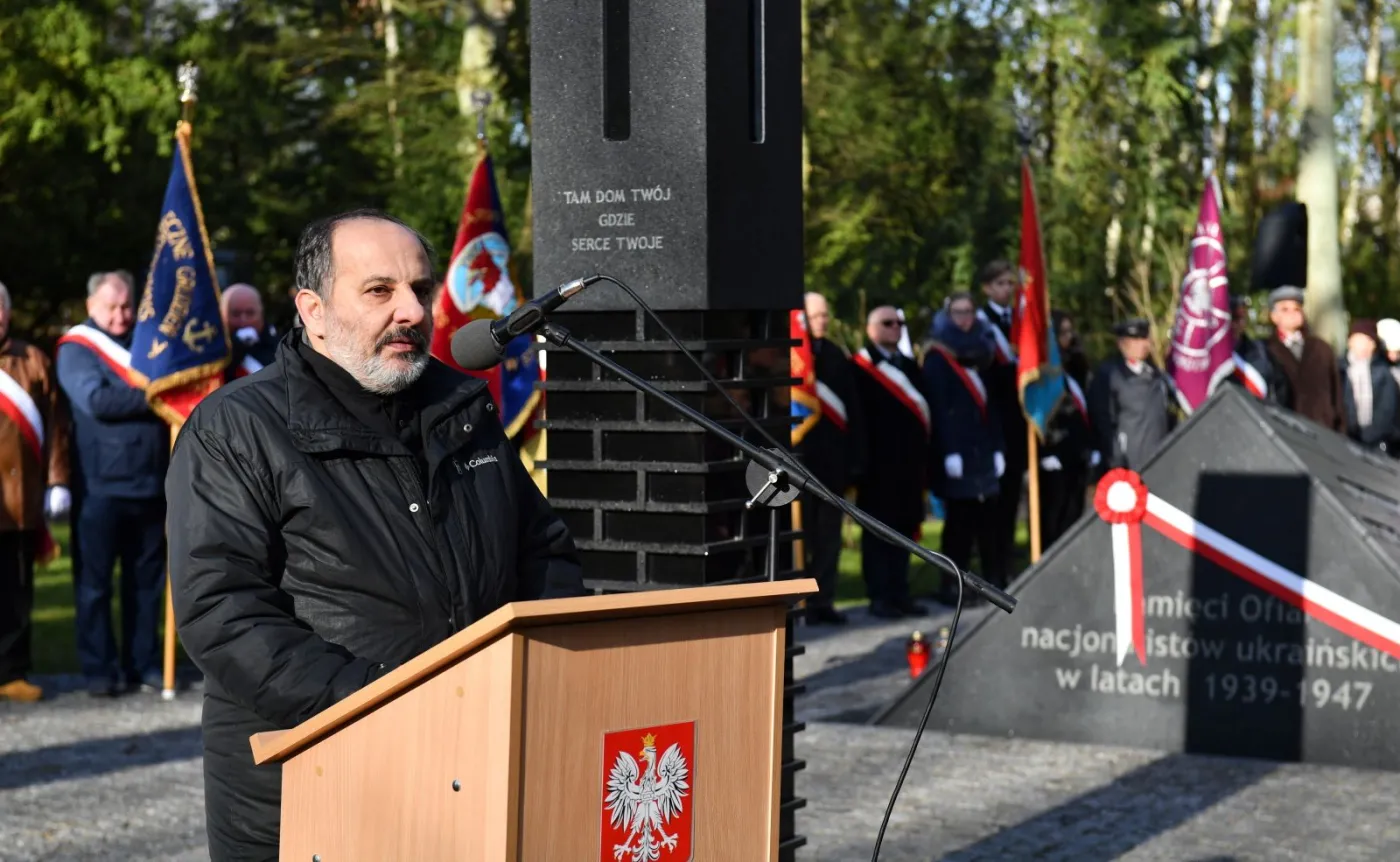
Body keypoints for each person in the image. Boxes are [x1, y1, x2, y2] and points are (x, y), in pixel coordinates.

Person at [168, 209, 584, 859]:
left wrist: (545, 674)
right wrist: (380, 703)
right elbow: (222, 609)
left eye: (421, 289)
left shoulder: (462, 406)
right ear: (312, 309)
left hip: (471, 759)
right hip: (315, 777)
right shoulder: (238, 429)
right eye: (379, 290)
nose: (413, 311)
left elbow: (542, 552)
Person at [56, 271, 169, 697]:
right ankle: (100, 670)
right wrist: (159, 394)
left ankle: (143, 664)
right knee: (94, 587)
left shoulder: (148, 344)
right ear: (91, 307)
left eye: (126, 307)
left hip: (151, 485)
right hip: (98, 490)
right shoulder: (77, 349)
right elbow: (98, 401)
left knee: (145, 586)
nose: (121, 316)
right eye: (111, 307)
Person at [0, 281, 71, 703]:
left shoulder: (34, 361)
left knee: (15, 591)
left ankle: (11, 672)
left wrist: (57, 481)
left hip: (19, 498)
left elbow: (56, 427)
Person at [923, 292, 1007, 592]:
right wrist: (949, 451)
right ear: (947, 315)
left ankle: (989, 583)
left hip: (982, 450)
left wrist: (998, 447)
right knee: (959, 526)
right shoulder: (937, 358)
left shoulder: (983, 351)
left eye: (970, 312)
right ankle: (951, 585)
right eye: (958, 312)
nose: (965, 318)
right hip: (956, 453)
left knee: (988, 523)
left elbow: (991, 405)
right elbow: (939, 408)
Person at [853, 305, 931, 618]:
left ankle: (900, 592)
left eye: (899, 322)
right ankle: (879, 596)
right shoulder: (860, 367)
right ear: (871, 329)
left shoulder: (910, 367)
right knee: (877, 531)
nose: (895, 328)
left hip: (909, 466)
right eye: (887, 323)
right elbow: (858, 419)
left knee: (905, 528)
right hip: (876, 466)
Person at [795, 292, 866, 625]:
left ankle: (823, 600)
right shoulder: (792, 355)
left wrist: (854, 459)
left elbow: (853, 408)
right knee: (800, 533)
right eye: (815, 316)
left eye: (825, 315)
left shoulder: (836, 355)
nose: (822, 321)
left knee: (828, 536)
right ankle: (798, 603)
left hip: (832, 462)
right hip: (800, 460)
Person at [975, 261, 1027, 568]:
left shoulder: (1021, 320)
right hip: (994, 422)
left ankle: (1005, 560)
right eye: (1000, 284)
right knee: (992, 501)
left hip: (1017, 422)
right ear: (987, 288)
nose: (1006, 289)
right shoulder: (981, 325)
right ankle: (990, 563)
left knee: (1010, 498)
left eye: (1010, 283)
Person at [1036, 311, 1096, 548]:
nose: (1068, 337)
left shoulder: (1076, 363)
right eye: (1062, 332)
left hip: (1077, 448)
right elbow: (1039, 412)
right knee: (1054, 512)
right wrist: (1045, 452)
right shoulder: (1044, 368)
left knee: (1074, 508)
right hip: (1054, 450)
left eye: (1070, 331)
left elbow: (1086, 404)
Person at [1087, 318, 1176, 472]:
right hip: (1129, 463)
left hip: (1161, 459)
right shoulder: (1110, 376)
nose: (1143, 344)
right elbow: (1103, 420)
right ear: (1122, 344)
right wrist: (1116, 458)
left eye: (1144, 338)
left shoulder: (1156, 375)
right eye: (1136, 340)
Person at [1262, 286, 1344, 432]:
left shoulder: (1321, 349)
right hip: (1286, 431)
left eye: (1297, 308)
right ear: (1273, 316)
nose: (1293, 313)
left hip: (1324, 432)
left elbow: (1337, 395)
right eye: (1285, 309)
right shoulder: (1265, 350)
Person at [1340, 318, 1400, 454]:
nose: (1363, 346)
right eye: (1359, 339)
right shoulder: (1340, 369)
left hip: (1377, 443)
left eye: (1368, 341)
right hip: (1346, 438)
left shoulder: (1383, 374)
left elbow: (1387, 410)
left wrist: (1370, 436)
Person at [220, 283, 278, 378]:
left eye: (250, 313)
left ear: (261, 313)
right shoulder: (213, 357)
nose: (243, 321)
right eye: (235, 314)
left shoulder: (280, 350)